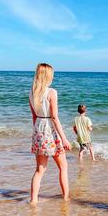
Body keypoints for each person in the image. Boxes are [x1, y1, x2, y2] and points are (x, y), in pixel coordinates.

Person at [29, 63, 71, 203]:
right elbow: (54, 118)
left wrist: (36, 133)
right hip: (50, 131)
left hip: (38, 130)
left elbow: (34, 117)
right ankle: (65, 198)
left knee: (39, 170)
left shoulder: (32, 92)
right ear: (48, 76)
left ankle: (33, 200)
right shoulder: (52, 92)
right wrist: (64, 139)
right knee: (63, 167)